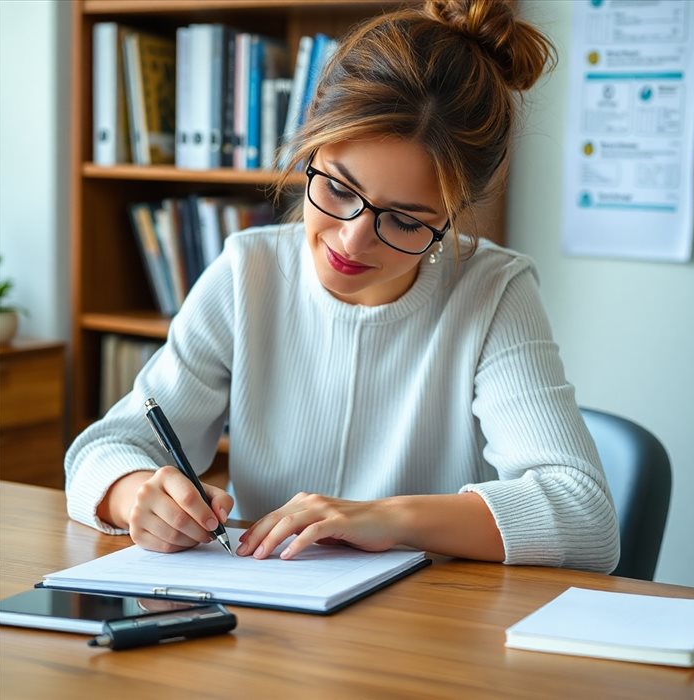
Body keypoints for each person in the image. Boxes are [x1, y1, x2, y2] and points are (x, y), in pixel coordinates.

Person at [65, 0, 620, 572]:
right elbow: (100, 452)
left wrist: (386, 518)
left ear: (451, 220)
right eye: (337, 189)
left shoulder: (493, 292)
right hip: (261, 623)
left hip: (424, 635)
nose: (354, 241)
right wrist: (137, 495)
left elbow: (586, 520)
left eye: (406, 221)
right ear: (311, 148)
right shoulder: (246, 271)